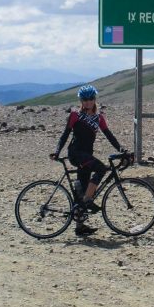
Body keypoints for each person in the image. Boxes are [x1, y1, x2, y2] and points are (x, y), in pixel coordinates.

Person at [50, 84, 124, 236]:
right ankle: (88, 200)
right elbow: (65, 135)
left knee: (81, 188)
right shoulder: (75, 115)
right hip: (76, 154)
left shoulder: (99, 118)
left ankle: (80, 226)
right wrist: (57, 151)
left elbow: (109, 135)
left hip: (86, 155)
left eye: (91, 99)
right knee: (102, 169)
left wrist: (121, 150)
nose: (88, 102)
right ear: (81, 101)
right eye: (85, 99)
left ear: (94, 99)